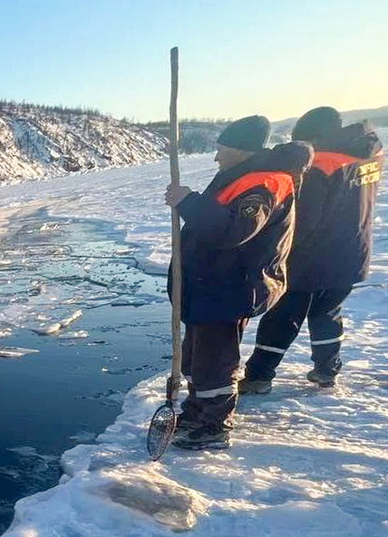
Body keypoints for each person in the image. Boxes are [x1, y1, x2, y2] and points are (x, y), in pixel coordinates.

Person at [163, 115, 313, 450]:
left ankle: (214, 426)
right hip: (211, 284)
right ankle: (197, 411)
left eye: (222, 149)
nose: (216, 157)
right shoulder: (242, 176)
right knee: (196, 358)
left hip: (229, 287)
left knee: (214, 362)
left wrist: (188, 202)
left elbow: (234, 231)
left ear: (241, 150)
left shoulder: (264, 184)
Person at [239, 107, 383, 392]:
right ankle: (327, 370)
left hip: (312, 256)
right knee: (327, 312)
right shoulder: (367, 154)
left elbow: (304, 218)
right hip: (352, 252)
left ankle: (259, 376)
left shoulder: (320, 164)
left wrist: (279, 249)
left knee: (282, 314)